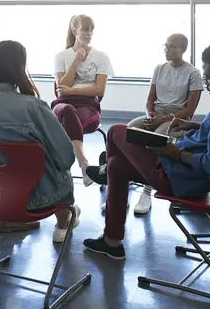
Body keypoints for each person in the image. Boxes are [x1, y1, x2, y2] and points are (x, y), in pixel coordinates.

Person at [82, 46, 210, 260]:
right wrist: (194, 126)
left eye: (208, 77)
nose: (206, 82)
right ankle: (112, 242)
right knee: (117, 166)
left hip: (179, 177)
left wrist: (174, 153)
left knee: (115, 131)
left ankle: (103, 174)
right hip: (182, 174)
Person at [0, 40, 80, 242]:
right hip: (41, 199)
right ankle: (63, 223)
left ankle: (11, 219)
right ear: (20, 68)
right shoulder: (34, 107)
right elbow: (66, 157)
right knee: (58, 166)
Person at [99, 34, 203, 214]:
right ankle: (115, 180)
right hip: (156, 113)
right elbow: (150, 99)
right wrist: (151, 114)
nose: (167, 49)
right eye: (166, 46)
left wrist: (162, 119)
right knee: (129, 130)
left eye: (172, 47)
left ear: (183, 49)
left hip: (176, 117)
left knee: (156, 139)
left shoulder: (193, 73)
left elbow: (189, 111)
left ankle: (146, 193)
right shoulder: (159, 68)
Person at [52, 15, 114, 187]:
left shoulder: (101, 57)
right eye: (85, 29)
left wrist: (71, 90)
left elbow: (99, 89)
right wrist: (76, 61)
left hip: (89, 105)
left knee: (69, 119)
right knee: (67, 110)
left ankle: (73, 168)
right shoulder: (61, 56)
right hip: (62, 104)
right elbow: (60, 87)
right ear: (74, 31)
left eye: (91, 30)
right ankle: (84, 164)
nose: (89, 34)